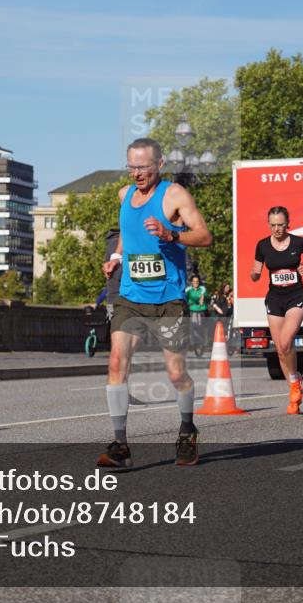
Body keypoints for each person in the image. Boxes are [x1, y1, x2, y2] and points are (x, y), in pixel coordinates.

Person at [98, 138, 212, 468]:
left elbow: (204, 236)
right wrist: (117, 256)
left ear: (159, 164)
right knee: (117, 363)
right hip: (131, 298)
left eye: (143, 167)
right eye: (131, 167)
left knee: (177, 375)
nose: (136, 174)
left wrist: (171, 235)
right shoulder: (124, 195)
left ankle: (187, 430)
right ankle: (120, 445)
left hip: (169, 300)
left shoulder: (175, 195)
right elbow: (127, 230)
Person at [251, 206, 303, 414]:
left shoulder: (299, 242)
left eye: (281, 225)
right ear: (268, 224)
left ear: (288, 224)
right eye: (273, 225)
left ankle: (294, 382)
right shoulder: (262, 245)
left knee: (287, 340)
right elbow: (256, 271)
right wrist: (254, 274)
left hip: (296, 296)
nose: (277, 229)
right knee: (280, 348)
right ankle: (293, 385)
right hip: (274, 298)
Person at [184, 274, 208, 342]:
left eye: (197, 281)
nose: (195, 283)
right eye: (194, 281)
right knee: (193, 325)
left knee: (200, 326)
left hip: (201, 309)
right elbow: (184, 296)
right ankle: (193, 341)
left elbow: (204, 295)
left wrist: (202, 299)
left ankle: (201, 339)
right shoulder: (189, 289)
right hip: (192, 309)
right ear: (192, 282)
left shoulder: (202, 288)